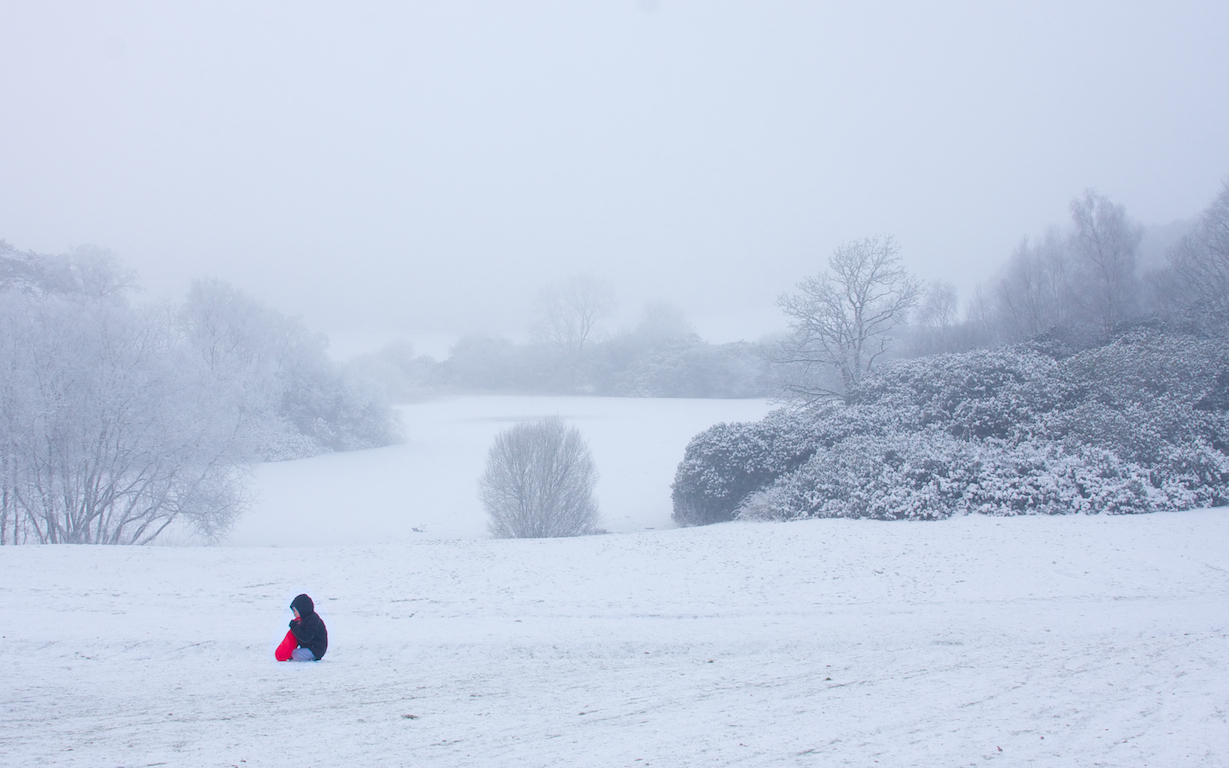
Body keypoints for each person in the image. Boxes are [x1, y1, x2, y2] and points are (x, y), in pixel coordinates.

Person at [275, 593, 328, 661]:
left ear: (302, 609)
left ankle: (310, 658)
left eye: (295, 611)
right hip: (309, 648)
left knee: (294, 654)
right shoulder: (304, 619)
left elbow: (306, 638)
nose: (294, 614)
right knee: (292, 653)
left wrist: (295, 627)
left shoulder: (313, 620)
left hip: (315, 650)